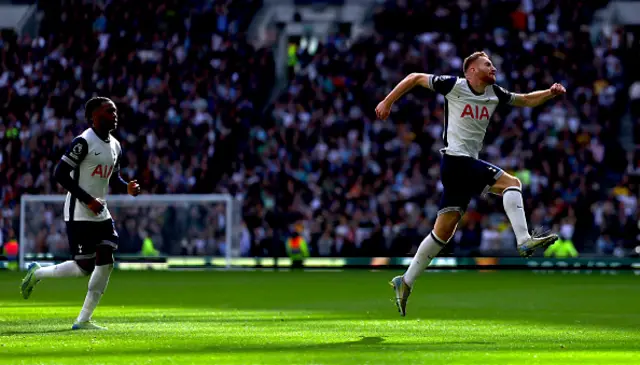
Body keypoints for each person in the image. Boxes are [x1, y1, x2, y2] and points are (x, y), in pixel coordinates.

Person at [375, 51, 566, 316]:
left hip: (459, 168)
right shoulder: (455, 85)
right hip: (456, 161)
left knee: (443, 232)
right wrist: (388, 101)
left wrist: (549, 92)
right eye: (488, 64)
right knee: (512, 183)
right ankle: (524, 239)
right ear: (472, 71)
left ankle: (405, 281)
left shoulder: (494, 93)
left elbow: (525, 100)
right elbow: (415, 77)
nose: (494, 68)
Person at [20, 97, 141, 330]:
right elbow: (60, 173)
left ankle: (83, 321)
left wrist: (125, 186)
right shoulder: (83, 142)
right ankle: (38, 273)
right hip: (78, 212)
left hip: (100, 211)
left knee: (107, 255)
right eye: (108, 111)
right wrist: (88, 200)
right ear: (93, 117)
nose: (114, 115)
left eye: (115, 111)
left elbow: (112, 177)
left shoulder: (115, 145)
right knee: (83, 268)